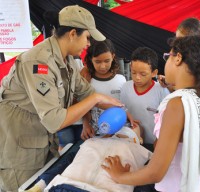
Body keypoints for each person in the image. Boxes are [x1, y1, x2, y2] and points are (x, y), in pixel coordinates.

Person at [0, 5, 122, 191]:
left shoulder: (68, 60)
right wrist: (95, 99)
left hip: (43, 141)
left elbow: (85, 92)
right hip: (19, 146)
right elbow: (54, 120)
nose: (89, 44)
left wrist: (121, 110)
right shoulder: (38, 62)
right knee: (26, 187)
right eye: (87, 37)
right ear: (73, 33)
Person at [102, 35, 200, 192]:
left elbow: (156, 172)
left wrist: (119, 176)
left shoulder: (176, 104)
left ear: (177, 59)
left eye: (167, 57)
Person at [119, 47, 170, 151]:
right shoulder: (125, 87)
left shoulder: (161, 90)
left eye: (143, 74)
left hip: (154, 143)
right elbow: (122, 111)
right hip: (131, 141)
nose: (137, 77)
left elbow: (166, 119)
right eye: (133, 72)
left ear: (154, 73)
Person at [81, 38, 127, 139]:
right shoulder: (87, 79)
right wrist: (85, 124)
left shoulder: (121, 80)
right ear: (90, 59)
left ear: (113, 57)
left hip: (118, 133)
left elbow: (123, 106)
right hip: (94, 134)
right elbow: (82, 105)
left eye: (107, 61)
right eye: (97, 62)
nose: (102, 66)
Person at [158, 17, 200, 90]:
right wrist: (169, 81)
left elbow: (187, 85)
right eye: (177, 39)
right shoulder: (177, 52)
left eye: (182, 39)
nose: (178, 43)